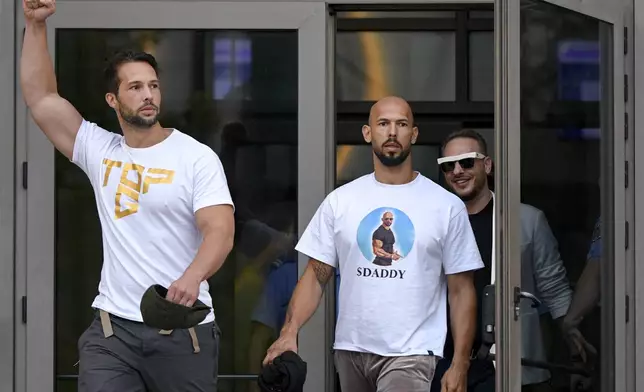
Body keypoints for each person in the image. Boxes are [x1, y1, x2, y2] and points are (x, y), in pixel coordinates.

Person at [20, 1, 235, 391]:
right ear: (112, 100)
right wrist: (35, 26)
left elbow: (220, 230)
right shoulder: (101, 150)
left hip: (182, 330)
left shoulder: (195, 157)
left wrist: (193, 276)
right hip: (113, 331)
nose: (148, 94)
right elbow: (40, 99)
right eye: (135, 87)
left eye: (153, 85)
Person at [263, 96, 484, 392]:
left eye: (401, 124)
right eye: (383, 124)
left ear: (414, 135)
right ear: (368, 133)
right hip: (351, 350)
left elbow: (461, 290)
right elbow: (316, 276)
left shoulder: (445, 206)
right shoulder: (341, 201)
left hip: (412, 352)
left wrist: (460, 364)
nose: (392, 132)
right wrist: (289, 332)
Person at [433, 129, 594, 392]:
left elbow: (554, 289)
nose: (458, 170)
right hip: (444, 364)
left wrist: (575, 343)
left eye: (467, 162)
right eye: (449, 165)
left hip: (508, 363)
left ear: (487, 164)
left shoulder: (527, 220)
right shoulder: (433, 223)